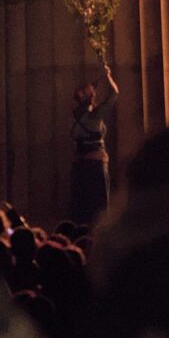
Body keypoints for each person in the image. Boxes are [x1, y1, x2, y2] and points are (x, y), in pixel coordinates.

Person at [70, 63, 119, 225]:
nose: (92, 90)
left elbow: (91, 87)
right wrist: (107, 76)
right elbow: (114, 94)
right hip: (95, 165)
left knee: (82, 206)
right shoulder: (93, 117)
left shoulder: (78, 115)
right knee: (99, 205)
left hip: (80, 165)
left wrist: (101, 75)